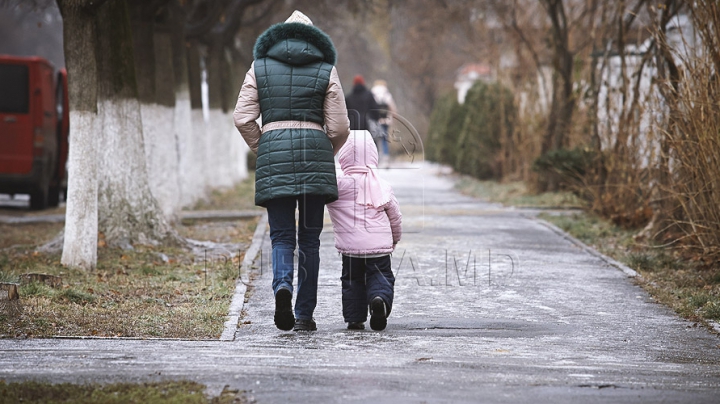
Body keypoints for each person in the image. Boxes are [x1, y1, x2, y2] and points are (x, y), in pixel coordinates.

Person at [233, 10, 350, 332]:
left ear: (281, 35)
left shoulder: (259, 67)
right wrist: (324, 152)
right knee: (310, 240)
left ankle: (282, 287)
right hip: (315, 152)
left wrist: (265, 148)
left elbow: (242, 118)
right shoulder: (327, 69)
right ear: (314, 39)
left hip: (274, 156)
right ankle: (303, 316)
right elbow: (340, 126)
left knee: (282, 237)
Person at [326, 130, 402, 331]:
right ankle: (379, 300)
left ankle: (354, 319)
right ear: (373, 154)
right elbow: (394, 215)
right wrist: (395, 238)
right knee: (381, 276)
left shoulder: (337, 185)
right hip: (379, 248)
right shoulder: (381, 185)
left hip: (350, 249)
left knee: (352, 280)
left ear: (342, 155)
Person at [371, 80, 397, 160]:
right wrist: (393, 117)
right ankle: (386, 155)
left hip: (376, 120)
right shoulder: (387, 94)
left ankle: (375, 156)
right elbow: (392, 108)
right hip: (386, 120)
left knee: (375, 138)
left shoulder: (372, 94)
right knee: (385, 139)